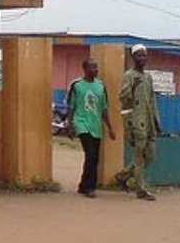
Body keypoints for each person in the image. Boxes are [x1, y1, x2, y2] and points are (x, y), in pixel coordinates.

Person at [115, 44, 161, 201]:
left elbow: (152, 99)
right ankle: (141, 189)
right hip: (136, 120)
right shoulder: (129, 76)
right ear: (133, 57)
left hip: (149, 121)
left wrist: (156, 120)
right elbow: (123, 98)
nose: (142, 58)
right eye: (139, 55)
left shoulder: (148, 77)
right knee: (139, 156)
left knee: (150, 155)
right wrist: (131, 88)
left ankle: (123, 175)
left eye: (144, 55)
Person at [65, 58, 113, 198]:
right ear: (85, 69)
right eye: (92, 67)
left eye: (96, 67)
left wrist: (109, 128)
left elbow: (104, 109)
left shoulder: (101, 86)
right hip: (81, 123)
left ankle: (83, 185)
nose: (95, 70)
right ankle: (89, 187)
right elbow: (71, 106)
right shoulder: (77, 85)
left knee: (94, 158)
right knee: (90, 154)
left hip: (96, 125)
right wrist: (70, 125)